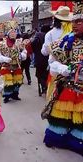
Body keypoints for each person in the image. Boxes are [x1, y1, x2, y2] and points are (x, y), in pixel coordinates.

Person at [42, 1, 83, 155]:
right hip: (68, 88)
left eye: (79, 21)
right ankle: (59, 138)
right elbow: (51, 63)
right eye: (73, 21)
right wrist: (62, 69)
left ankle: (77, 141)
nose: (74, 25)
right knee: (60, 122)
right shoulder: (66, 42)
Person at [41, 6, 73, 101]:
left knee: (55, 98)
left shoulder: (50, 34)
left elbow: (45, 52)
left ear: (54, 19)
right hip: (74, 69)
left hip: (56, 68)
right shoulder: (74, 32)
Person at [0, 20, 27, 103]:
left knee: (18, 81)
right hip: (6, 65)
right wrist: (4, 58)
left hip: (17, 65)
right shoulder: (1, 43)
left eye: (14, 32)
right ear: (8, 34)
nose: (13, 34)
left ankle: (15, 94)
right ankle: (7, 96)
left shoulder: (19, 43)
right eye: (11, 32)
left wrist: (22, 55)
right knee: (8, 82)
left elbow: (24, 51)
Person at [31, 25, 52, 96]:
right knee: (46, 74)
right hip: (47, 59)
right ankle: (45, 87)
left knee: (39, 74)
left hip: (38, 59)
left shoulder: (37, 36)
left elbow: (32, 45)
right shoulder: (49, 36)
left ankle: (41, 88)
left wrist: (36, 52)